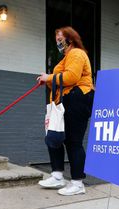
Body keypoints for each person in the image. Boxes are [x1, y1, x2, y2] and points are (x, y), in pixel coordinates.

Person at [37, 26, 94, 196]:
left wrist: (49, 77)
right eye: (56, 40)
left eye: (60, 39)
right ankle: (57, 176)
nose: (58, 42)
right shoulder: (66, 58)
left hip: (78, 99)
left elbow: (72, 77)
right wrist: (47, 80)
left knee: (73, 141)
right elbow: (60, 80)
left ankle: (77, 183)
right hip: (64, 100)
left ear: (70, 38)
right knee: (54, 136)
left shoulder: (76, 53)